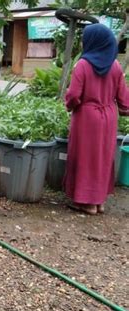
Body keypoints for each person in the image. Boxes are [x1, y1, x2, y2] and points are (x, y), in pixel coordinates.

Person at [64, 23, 129, 215]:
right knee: (103, 157)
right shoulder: (115, 66)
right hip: (109, 116)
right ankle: (99, 202)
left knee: (86, 157)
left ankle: (86, 203)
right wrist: (123, 109)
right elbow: (124, 99)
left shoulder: (83, 65)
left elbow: (74, 95)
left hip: (87, 117)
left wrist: (69, 106)